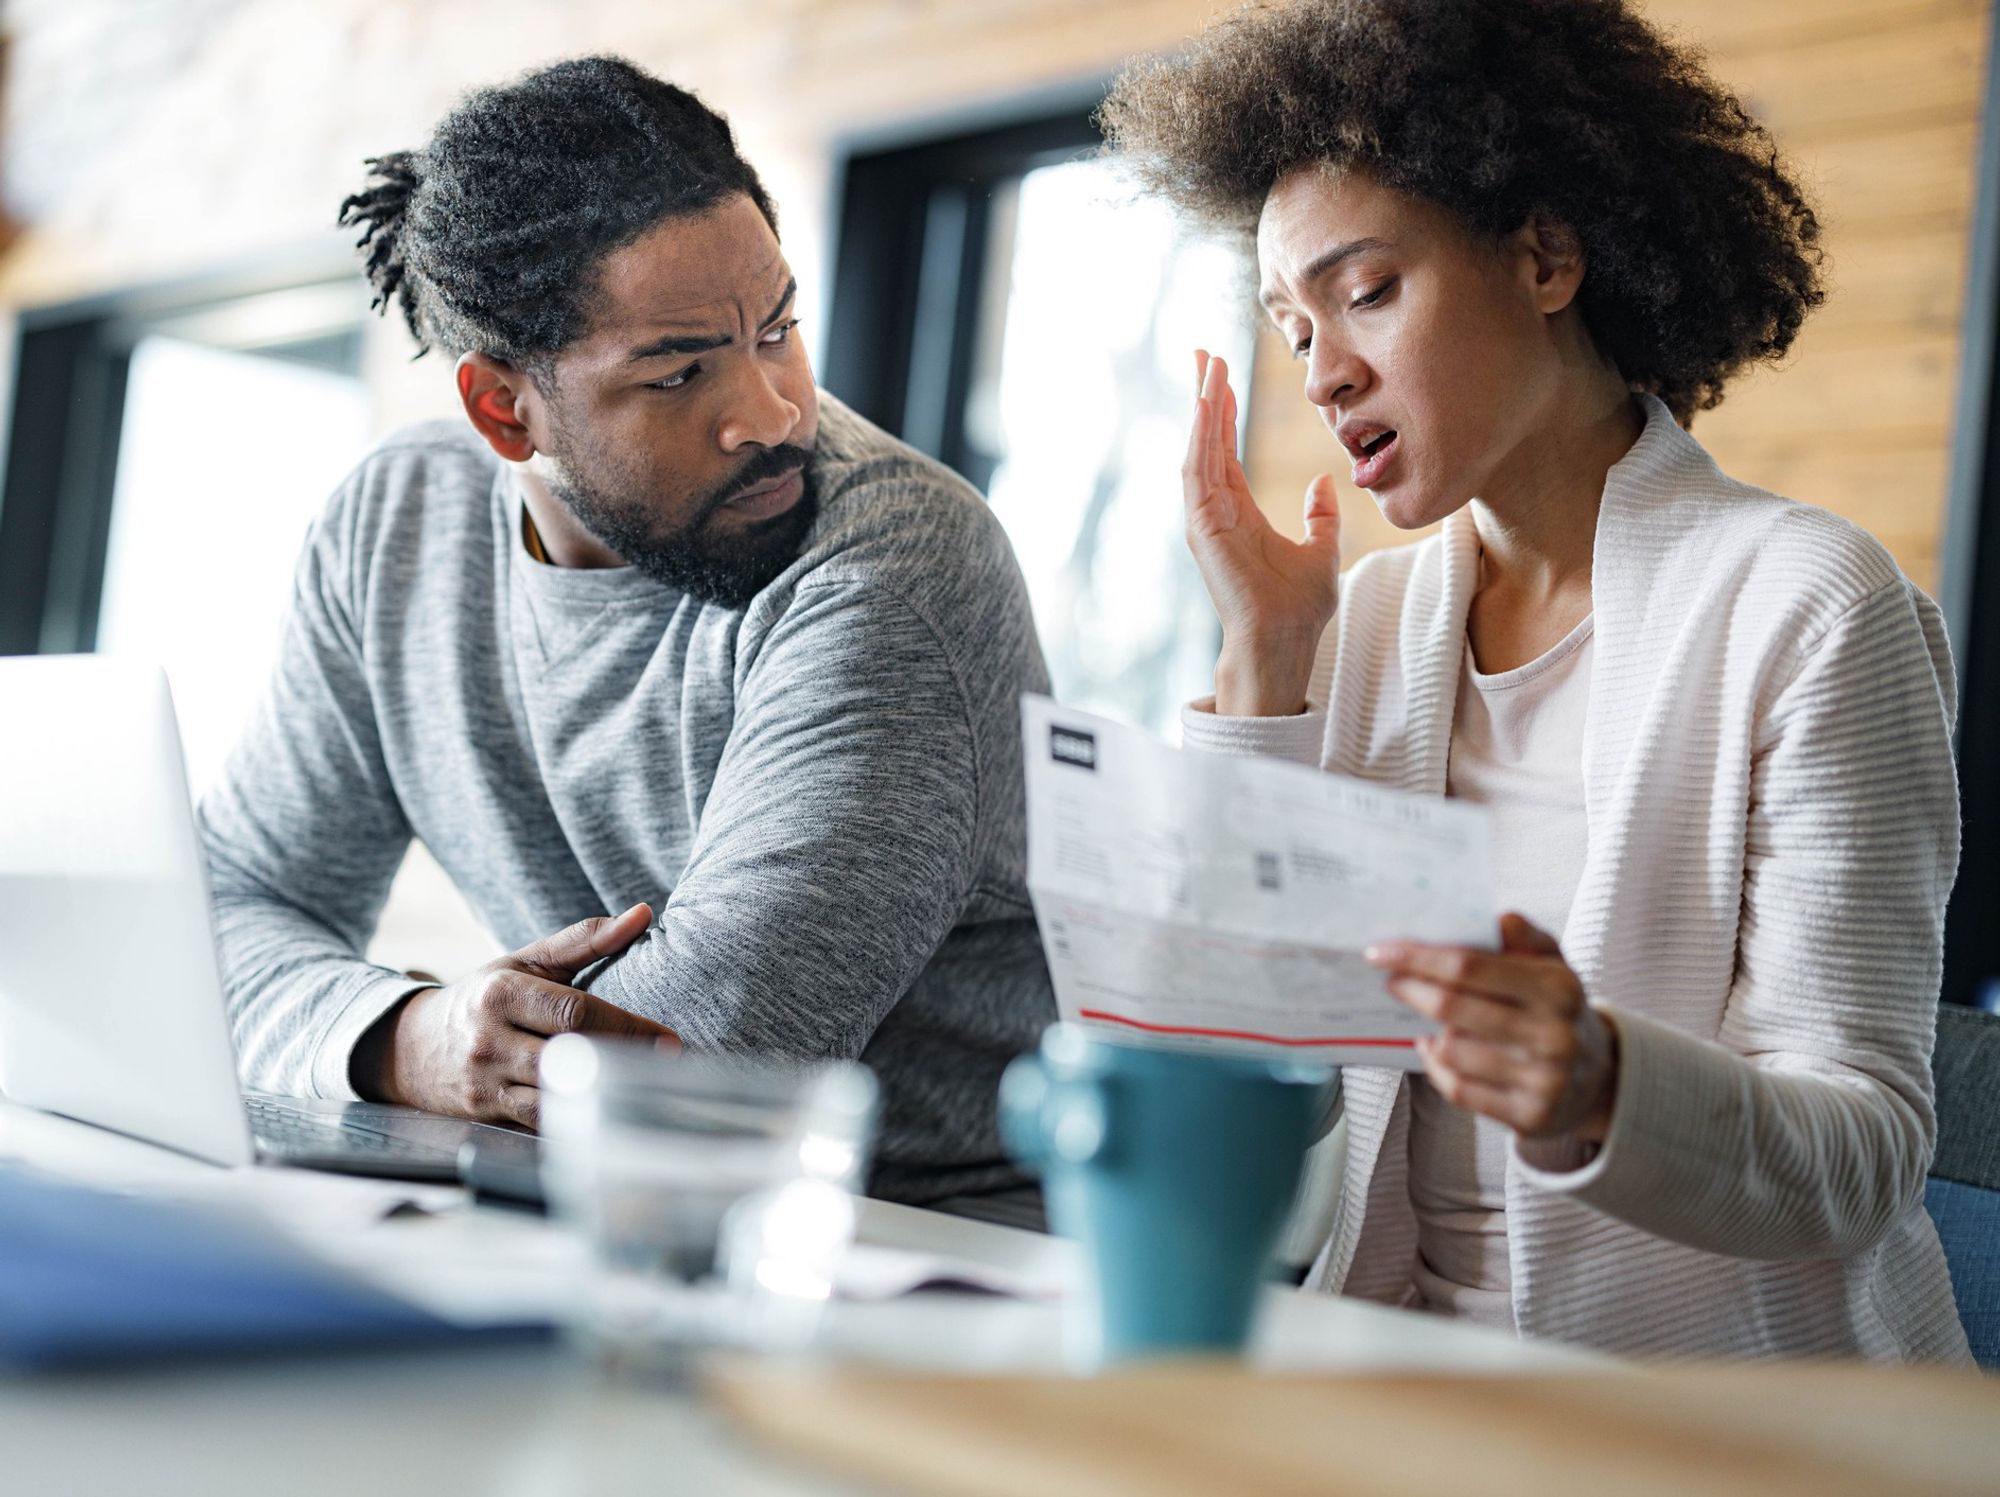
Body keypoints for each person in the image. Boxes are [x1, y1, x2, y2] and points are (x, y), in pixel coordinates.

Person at [1101, 0, 1969, 1360]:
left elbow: (1864, 1148)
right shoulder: (1369, 623)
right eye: (1292, 325)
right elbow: (1222, 1094)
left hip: (1717, 1414)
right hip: (1404, 1371)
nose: (1325, 374)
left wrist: (1603, 1088)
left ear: (1548, 256)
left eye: (1368, 291)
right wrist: (1262, 672)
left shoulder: (1811, 603)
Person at [198, 56, 1054, 1210]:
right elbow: (223, 908)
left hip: (932, 1243)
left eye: (777, 331)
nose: (772, 413)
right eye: (680, 372)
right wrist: (412, 1035)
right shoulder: (396, 527)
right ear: (505, 410)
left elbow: (688, 1065)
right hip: (571, 1203)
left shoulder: (893, 562)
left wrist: (473, 1051)